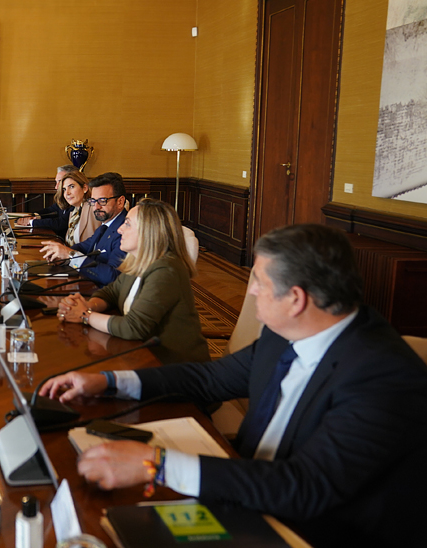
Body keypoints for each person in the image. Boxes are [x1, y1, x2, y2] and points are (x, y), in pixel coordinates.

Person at [40, 224, 427, 546]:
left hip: (321, 529)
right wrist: (105, 381)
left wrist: (154, 465)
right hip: (249, 488)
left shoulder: (384, 377)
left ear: (296, 299)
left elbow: (306, 487)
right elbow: (208, 378)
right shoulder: (285, 332)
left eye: (258, 280)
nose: (251, 289)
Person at [56, 198, 208, 364]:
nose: (120, 229)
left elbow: (133, 327)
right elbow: (111, 292)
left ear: (148, 231)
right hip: (138, 354)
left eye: (127, 224)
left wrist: (85, 315)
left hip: (174, 367)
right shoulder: (140, 260)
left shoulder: (166, 270)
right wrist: (88, 306)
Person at [39, 172, 128, 286]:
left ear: (120, 201)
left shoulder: (125, 230)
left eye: (102, 201)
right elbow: (84, 246)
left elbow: (112, 276)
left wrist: (70, 255)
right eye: (93, 201)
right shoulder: (106, 224)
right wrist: (61, 254)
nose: (96, 207)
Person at [15, 165, 77, 238]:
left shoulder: (75, 201)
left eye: (60, 181)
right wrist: (34, 216)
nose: (56, 187)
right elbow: (50, 210)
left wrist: (31, 222)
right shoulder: (63, 199)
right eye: (56, 182)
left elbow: (60, 224)